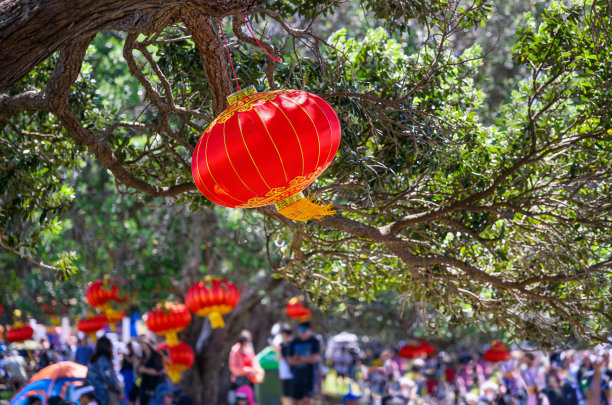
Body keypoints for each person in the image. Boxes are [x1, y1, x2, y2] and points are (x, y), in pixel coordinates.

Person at [287, 321, 320, 405]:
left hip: (310, 378)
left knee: (307, 401)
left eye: (304, 330)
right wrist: (306, 359)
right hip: (296, 378)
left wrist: (298, 358)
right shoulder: (294, 342)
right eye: (300, 329)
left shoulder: (314, 341)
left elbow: (314, 359)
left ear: (310, 331)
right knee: (294, 402)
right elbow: (290, 361)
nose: (302, 332)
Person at [86, 336, 120, 405]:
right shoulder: (103, 359)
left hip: (91, 389)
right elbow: (106, 375)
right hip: (99, 390)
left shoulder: (94, 357)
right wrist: (115, 384)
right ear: (107, 347)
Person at [138, 338, 166, 405]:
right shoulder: (143, 357)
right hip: (144, 391)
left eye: (142, 343)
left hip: (154, 391)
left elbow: (159, 372)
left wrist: (144, 370)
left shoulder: (156, 356)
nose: (140, 345)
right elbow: (140, 372)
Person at [278, 326, 294, 405]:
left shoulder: (291, 345)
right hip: (284, 374)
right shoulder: (282, 345)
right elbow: (278, 359)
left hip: (291, 374)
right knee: (285, 395)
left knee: (291, 395)